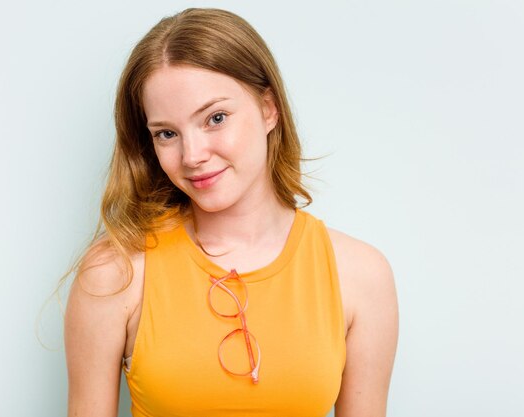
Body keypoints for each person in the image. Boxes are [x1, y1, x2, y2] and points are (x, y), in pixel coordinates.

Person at [63, 7, 398, 417]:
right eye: (167, 133)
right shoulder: (115, 273)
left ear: (268, 108)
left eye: (215, 118)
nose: (193, 155)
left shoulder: (361, 275)